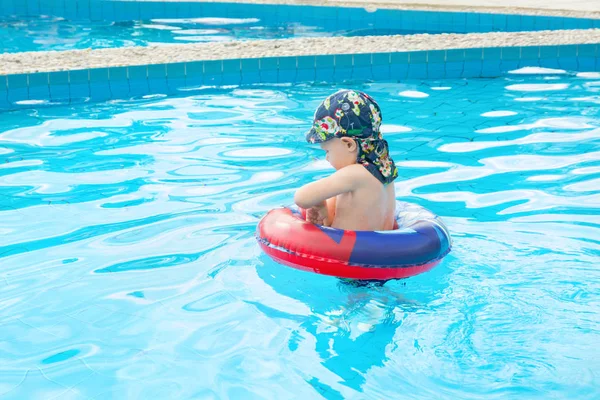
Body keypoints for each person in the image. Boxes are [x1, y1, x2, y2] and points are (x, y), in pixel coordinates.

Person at [294, 89, 399, 231]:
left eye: (327, 151)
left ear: (349, 144)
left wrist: (319, 203)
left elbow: (301, 198)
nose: (327, 157)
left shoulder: (354, 174)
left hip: (351, 252)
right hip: (382, 249)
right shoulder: (384, 169)